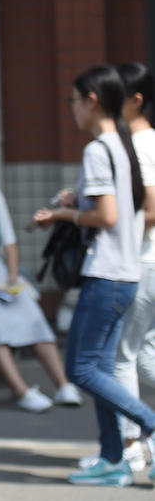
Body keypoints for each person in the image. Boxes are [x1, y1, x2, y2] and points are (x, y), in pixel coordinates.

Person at [34, 64, 155, 486]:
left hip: (107, 273)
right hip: (125, 272)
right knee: (100, 367)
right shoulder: (122, 143)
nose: (71, 109)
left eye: (73, 101)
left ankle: (148, 425)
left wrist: (61, 214)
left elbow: (107, 216)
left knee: (81, 369)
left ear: (91, 101)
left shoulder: (99, 148)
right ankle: (112, 458)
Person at [0, 133, 81, 412]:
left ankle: (63, 385)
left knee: (32, 316)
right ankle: (21, 391)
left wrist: (12, 276)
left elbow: (9, 241)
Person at [111, 61, 155, 471]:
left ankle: (132, 446)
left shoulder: (139, 145)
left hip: (142, 262)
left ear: (136, 100)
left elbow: (151, 209)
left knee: (121, 358)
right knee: (145, 352)